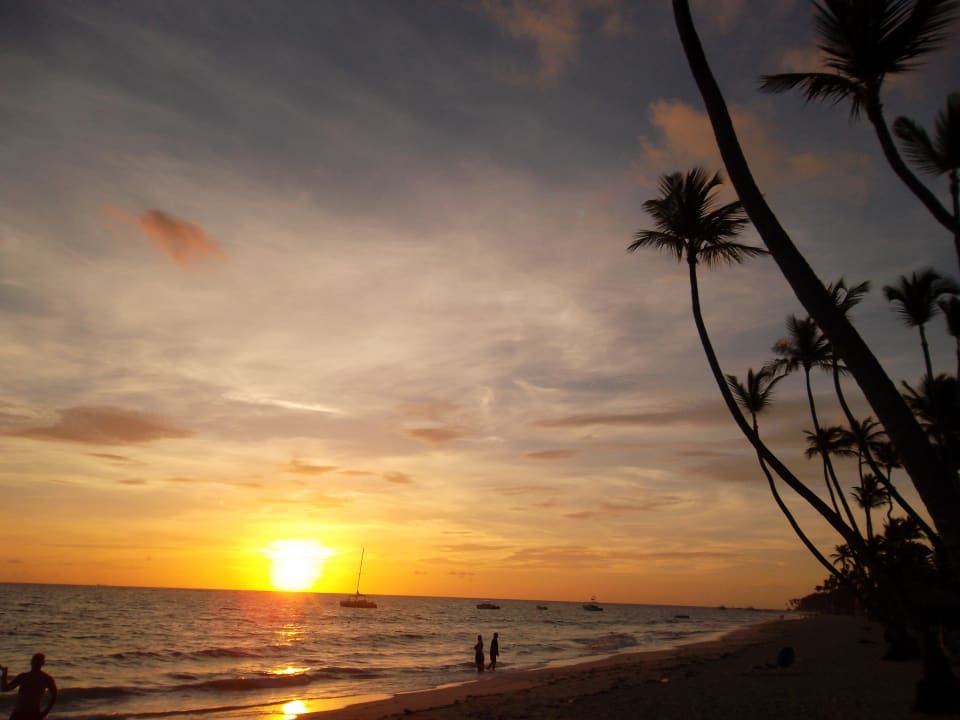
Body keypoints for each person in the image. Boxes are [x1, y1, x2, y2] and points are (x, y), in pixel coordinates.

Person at [1, 653, 57, 720]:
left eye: (39, 660)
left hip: (33, 714)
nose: (36, 662)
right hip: (18, 713)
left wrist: (45, 712)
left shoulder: (46, 678)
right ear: (31, 661)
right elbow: (5, 688)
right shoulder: (23, 676)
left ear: (42, 663)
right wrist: (4, 672)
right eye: (35, 660)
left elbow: (54, 695)